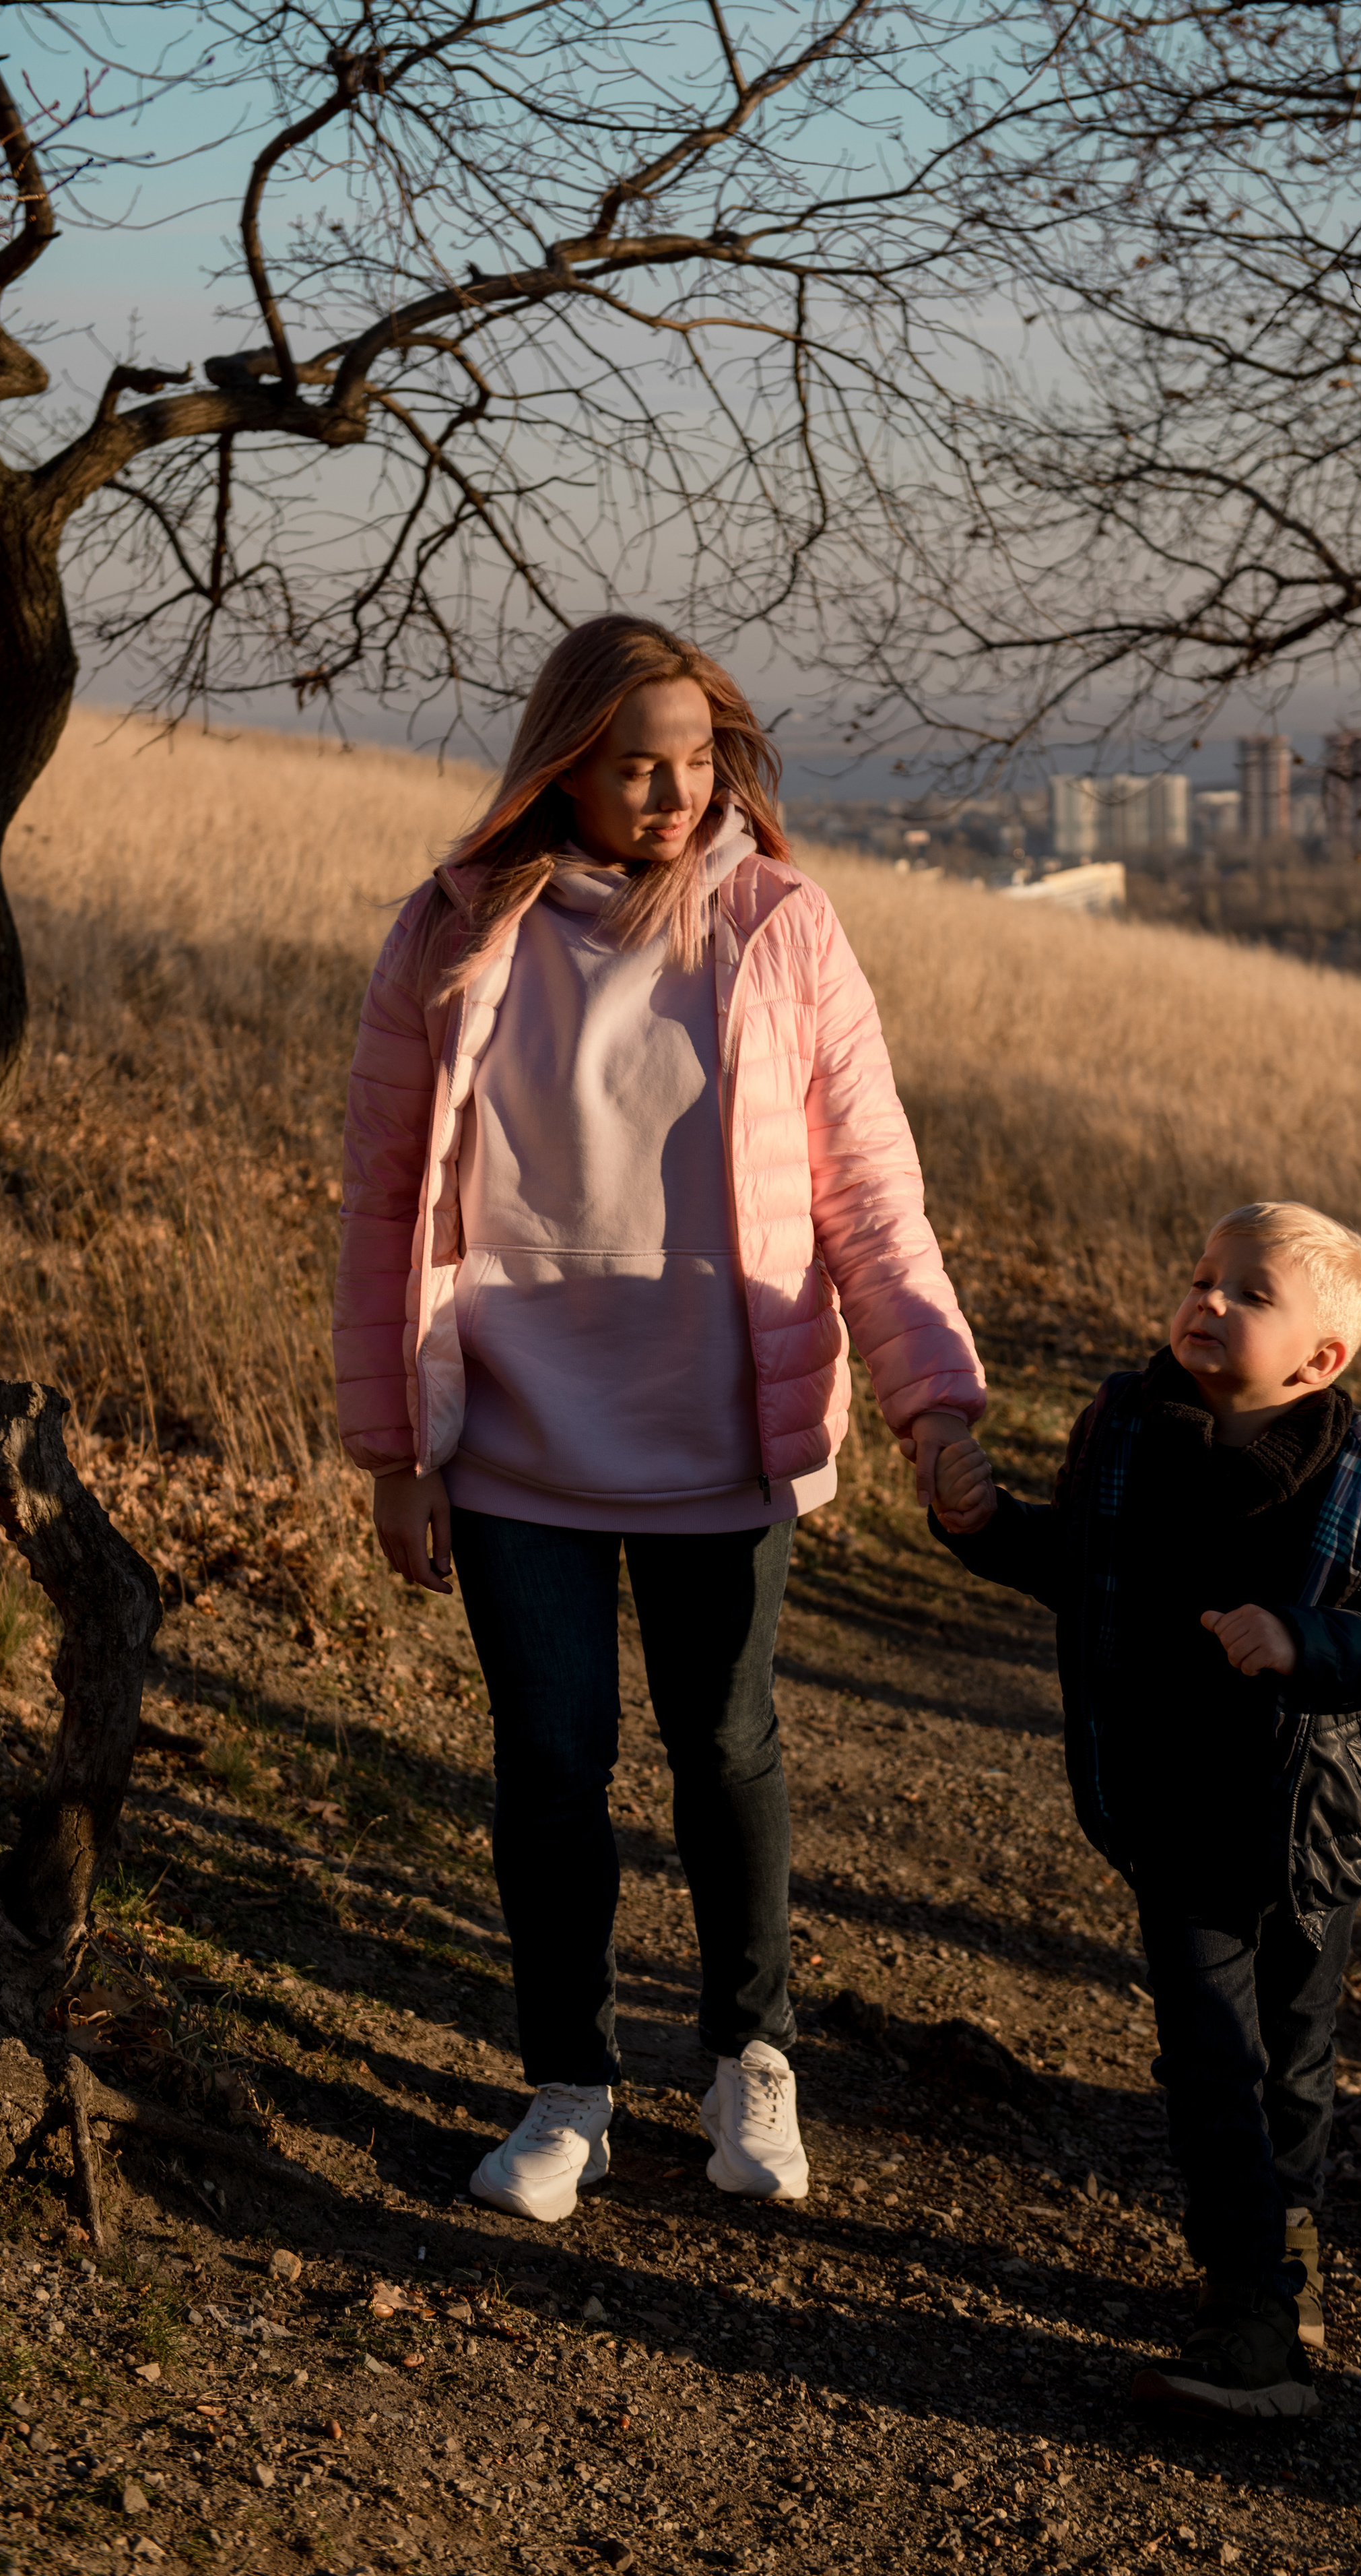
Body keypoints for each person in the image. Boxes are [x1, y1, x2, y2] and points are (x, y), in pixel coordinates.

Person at [333, 614, 985, 2224]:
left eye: (699, 762)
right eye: (639, 764)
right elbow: (377, 1208)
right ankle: (566, 2089)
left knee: (725, 1748)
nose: (676, 794)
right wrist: (393, 1455)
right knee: (549, 1766)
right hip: (511, 1434)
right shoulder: (449, 932)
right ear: (563, 763)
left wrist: (934, 1405)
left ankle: (748, 2060)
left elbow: (869, 1192)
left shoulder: (781, 927)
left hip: (719, 1422)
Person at [929, 1202, 1361, 2419]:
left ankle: (1291, 2245)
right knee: (1214, 2060)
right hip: (1175, 1809)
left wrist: (1302, 1638)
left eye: (1249, 1292)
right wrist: (981, 1527)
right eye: (1202, 1278)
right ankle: (1252, 2320)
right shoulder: (1129, 1431)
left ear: (1322, 1360)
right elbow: (1079, 1568)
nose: (1208, 1302)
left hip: (1312, 1822)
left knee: (1296, 2055)